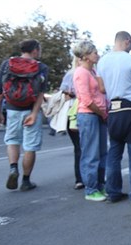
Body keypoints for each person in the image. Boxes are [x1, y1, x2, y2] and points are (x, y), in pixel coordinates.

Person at [96, 31, 131, 205]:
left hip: (114, 110)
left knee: (114, 153)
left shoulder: (102, 61)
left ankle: (113, 192)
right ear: (127, 41)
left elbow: (102, 89)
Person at [0, 39, 49, 191]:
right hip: (31, 110)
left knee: (12, 140)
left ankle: (13, 168)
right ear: (35, 50)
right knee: (30, 146)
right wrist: (34, 113)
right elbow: (40, 94)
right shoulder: (41, 67)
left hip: (12, 109)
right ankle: (26, 181)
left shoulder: (7, 64)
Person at [73, 40, 109, 202]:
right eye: (94, 52)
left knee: (102, 152)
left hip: (99, 115)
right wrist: (102, 113)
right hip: (89, 115)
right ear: (86, 56)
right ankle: (91, 188)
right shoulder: (81, 72)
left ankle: (100, 185)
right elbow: (86, 100)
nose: (98, 55)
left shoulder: (93, 71)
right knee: (91, 153)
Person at [60, 59, 84, 190]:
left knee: (78, 147)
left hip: (72, 114)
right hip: (83, 111)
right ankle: (89, 177)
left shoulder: (69, 74)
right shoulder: (89, 73)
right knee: (88, 146)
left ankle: (79, 179)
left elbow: (64, 93)